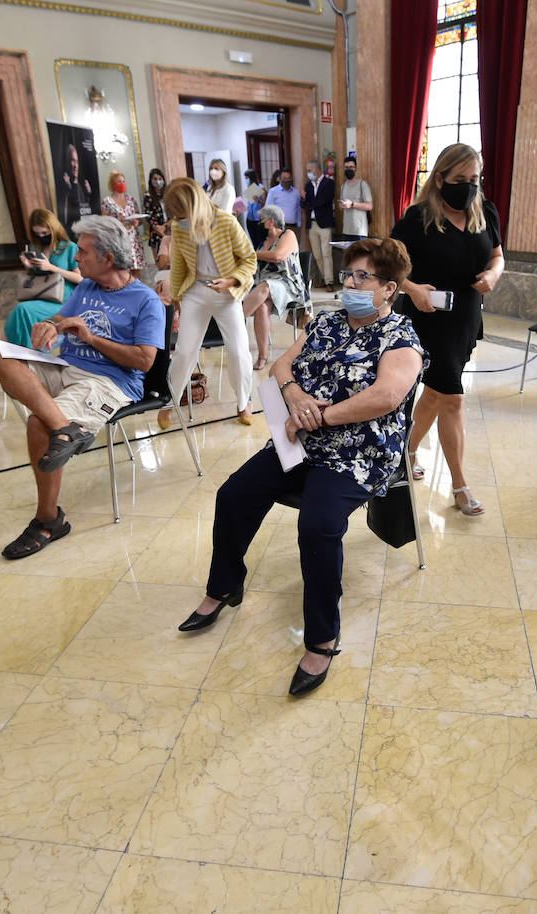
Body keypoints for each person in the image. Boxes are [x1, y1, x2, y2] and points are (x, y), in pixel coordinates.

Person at [177, 237, 425, 696]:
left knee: (316, 526)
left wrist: (320, 415)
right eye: (348, 274)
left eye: (362, 277)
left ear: (389, 288)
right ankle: (225, 586)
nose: (349, 282)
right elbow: (280, 367)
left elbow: (386, 397)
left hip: (358, 452)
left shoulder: (401, 339)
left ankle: (322, 638)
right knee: (233, 495)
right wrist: (294, 397)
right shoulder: (328, 322)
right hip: (300, 441)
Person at [0, 215, 165, 559]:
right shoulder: (87, 287)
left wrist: (91, 337)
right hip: (64, 366)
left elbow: (145, 361)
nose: (75, 258)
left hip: (109, 382)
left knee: (36, 423)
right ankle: (65, 427)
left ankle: (48, 520)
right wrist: (49, 325)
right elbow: (60, 317)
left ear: (108, 259)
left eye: (82, 252)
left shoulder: (146, 301)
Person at [391, 143, 503, 517]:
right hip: (428, 318)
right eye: (460, 180)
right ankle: (460, 484)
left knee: (436, 394)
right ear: (440, 178)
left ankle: (406, 451)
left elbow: (498, 255)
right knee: (452, 397)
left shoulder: (485, 211)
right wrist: (412, 289)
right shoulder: (418, 218)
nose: (470, 187)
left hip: (466, 317)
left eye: (475, 179)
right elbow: (388, 263)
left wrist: (493, 274)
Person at [155, 177, 257, 428]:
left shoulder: (225, 221)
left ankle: (244, 403)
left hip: (226, 294)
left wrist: (232, 280)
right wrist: (177, 297)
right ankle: (170, 403)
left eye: (179, 213)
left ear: (191, 206)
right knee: (185, 352)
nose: (176, 219)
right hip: (195, 292)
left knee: (238, 351)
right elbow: (178, 265)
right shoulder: (179, 227)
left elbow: (250, 260)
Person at [242, 205, 308, 371]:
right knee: (261, 307)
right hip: (265, 285)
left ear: (271, 221)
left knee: (265, 287)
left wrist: (252, 254)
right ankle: (263, 356)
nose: (258, 224)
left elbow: (278, 256)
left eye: (261, 220)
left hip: (288, 284)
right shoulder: (262, 241)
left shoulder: (288, 234)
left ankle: (236, 319)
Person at [3, 209, 82, 348]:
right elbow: (38, 277)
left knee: (23, 309)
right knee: (21, 312)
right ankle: (18, 350)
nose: (41, 236)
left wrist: (53, 268)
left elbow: (80, 278)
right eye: (37, 233)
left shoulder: (69, 247)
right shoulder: (37, 247)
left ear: (53, 228)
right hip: (41, 296)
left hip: (64, 301)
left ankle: (25, 351)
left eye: (44, 233)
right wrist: (29, 266)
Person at [100, 170, 147, 277]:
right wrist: (118, 222)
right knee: (122, 270)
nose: (122, 183)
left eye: (123, 181)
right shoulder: (107, 201)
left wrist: (136, 222)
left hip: (133, 238)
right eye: (119, 181)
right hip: (118, 238)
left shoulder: (131, 199)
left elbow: (139, 219)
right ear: (113, 184)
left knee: (136, 270)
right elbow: (104, 222)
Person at [303, 159, 336, 289]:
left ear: (316, 169)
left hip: (324, 223)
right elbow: (303, 204)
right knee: (317, 255)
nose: (308, 173)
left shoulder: (329, 183)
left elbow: (323, 201)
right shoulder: (308, 186)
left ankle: (329, 282)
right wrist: (305, 200)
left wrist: (308, 201)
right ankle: (324, 277)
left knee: (326, 253)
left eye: (309, 170)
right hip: (312, 224)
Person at [58, 143, 93, 231]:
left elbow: (83, 210)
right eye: (72, 160)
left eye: (77, 161)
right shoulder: (64, 186)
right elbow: (64, 219)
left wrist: (88, 196)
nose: (75, 165)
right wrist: (66, 192)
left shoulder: (80, 187)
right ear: (67, 162)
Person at [338, 156, 372, 239]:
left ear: (356, 169)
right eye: (346, 167)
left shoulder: (362, 184)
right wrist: (341, 205)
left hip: (359, 231)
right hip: (346, 230)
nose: (348, 169)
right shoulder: (343, 186)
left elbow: (369, 206)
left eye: (351, 167)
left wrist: (352, 204)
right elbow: (341, 208)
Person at [264, 167, 302, 242]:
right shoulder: (273, 192)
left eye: (289, 178)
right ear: (280, 179)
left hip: (293, 227)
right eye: (285, 178)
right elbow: (268, 210)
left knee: (293, 251)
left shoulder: (296, 192)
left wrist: (299, 225)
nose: (287, 181)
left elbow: (298, 209)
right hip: (278, 228)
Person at [142, 168, 169, 265]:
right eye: (155, 179)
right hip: (156, 233)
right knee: (161, 263)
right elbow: (147, 215)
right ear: (151, 181)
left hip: (169, 229)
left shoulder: (168, 194)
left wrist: (165, 226)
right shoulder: (148, 196)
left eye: (160, 178)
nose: (158, 181)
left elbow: (174, 212)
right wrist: (157, 227)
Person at [242, 169, 267, 248]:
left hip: (258, 219)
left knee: (261, 241)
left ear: (251, 178)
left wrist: (258, 201)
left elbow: (266, 204)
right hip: (250, 218)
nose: (246, 180)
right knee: (254, 242)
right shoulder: (249, 188)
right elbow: (249, 204)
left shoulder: (261, 188)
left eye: (247, 178)